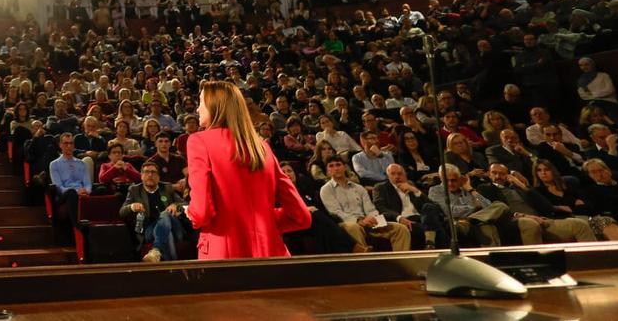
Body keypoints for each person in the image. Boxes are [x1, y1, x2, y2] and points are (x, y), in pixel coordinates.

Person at [185, 80, 310, 259]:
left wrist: (191, 212)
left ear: (215, 106)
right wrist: (262, 221)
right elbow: (301, 216)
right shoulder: (261, 146)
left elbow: (202, 213)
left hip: (224, 257)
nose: (197, 109)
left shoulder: (199, 141)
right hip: (272, 254)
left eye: (201, 103)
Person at [319, 157, 411, 252]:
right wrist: (358, 220)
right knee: (354, 227)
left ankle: (400, 263)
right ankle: (365, 262)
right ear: (328, 171)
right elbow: (336, 212)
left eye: (338, 164)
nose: (336, 168)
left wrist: (372, 218)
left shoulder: (359, 188)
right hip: (346, 222)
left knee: (400, 229)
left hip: (367, 221)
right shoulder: (326, 189)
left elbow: (370, 209)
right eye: (331, 166)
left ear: (345, 167)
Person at [120, 160, 185, 262]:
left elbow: (185, 204)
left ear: (158, 177)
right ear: (141, 176)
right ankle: (171, 266)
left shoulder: (167, 187)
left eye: (153, 172)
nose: (150, 175)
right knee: (167, 235)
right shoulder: (134, 190)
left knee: (165, 215)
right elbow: (122, 212)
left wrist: (176, 205)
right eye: (146, 172)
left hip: (175, 228)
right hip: (149, 231)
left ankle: (156, 250)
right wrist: (132, 206)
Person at [372, 163, 446, 249]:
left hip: (422, 218)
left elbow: (434, 206)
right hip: (405, 219)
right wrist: (399, 218)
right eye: (393, 174)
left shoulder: (410, 185)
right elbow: (380, 207)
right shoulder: (381, 188)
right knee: (438, 228)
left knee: (429, 207)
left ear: (405, 175)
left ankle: (430, 243)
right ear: (388, 176)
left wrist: (415, 190)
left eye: (399, 174)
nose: (397, 176)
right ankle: (434, 244)